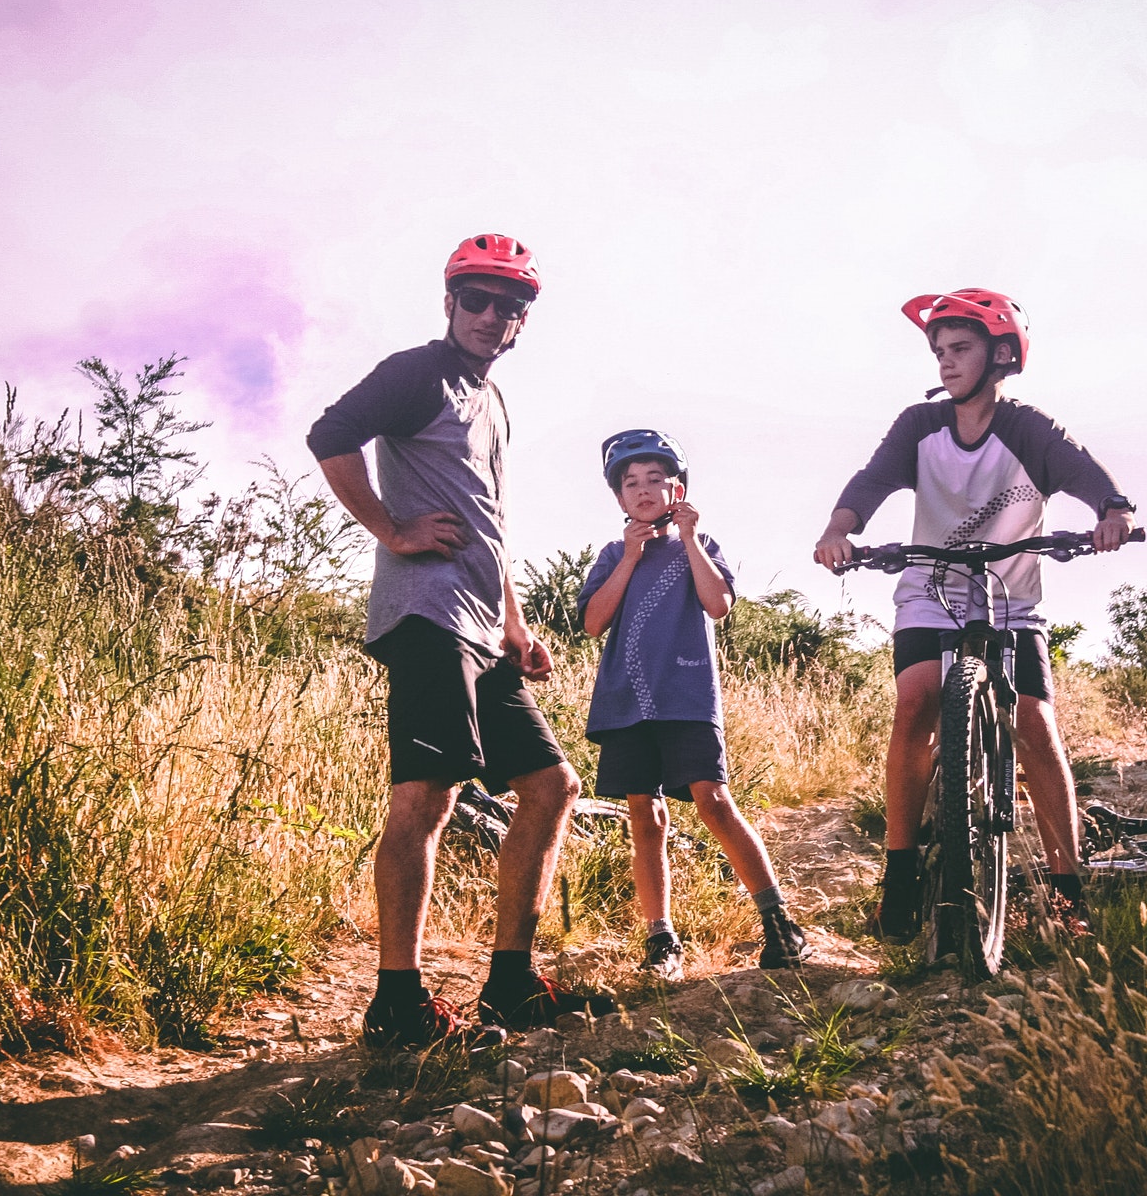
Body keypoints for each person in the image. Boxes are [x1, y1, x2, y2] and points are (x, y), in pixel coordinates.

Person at [307, 233, 612, 1044]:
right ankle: (397, 1004)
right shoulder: (418, 372)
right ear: (449, 304)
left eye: (507, 306)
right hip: (427, 618)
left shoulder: (493, 399)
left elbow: (491, 525)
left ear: (521, 323)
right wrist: (389, 527)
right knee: (428, 796)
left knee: (552, 788)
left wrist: (513, 622)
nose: (489, 315)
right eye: (475, 299)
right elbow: (328, 436)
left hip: (483, 628)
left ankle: (510, 984)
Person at [813, 289, 1136, 942]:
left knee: (1036, 726)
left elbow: (1084, 475)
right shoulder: (918, 427)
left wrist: (1113, 514)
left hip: (1011, 598)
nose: (945, 362)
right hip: (930, 590)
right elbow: (870, 482)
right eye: (939, 351)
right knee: (917, 697)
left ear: (1001, 353)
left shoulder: (1027, 430)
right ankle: (900, 876)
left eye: (960, 349)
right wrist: (838, 530)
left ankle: (1067, 891)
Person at [578, 430, 810, 980]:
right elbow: (592, 623)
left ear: (675, 489)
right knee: (645, 815)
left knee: (714, 801)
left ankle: (779, 922)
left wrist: (690, 539)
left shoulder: (700, 546)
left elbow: (718, 605)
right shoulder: (613, 554)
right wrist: (630, 558)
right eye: (630, 483)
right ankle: (661, 941)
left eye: (654, 480)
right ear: (618, 498)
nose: (642, 490)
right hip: (625, 702)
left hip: (685, 696)